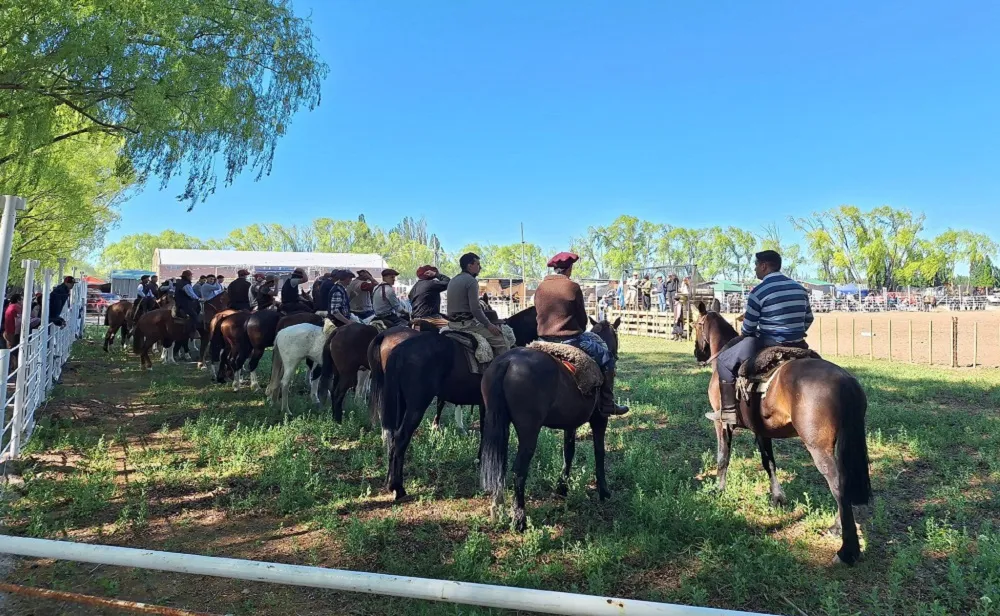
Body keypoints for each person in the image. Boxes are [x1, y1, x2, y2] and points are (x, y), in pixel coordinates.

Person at [710, 250, 813, 425]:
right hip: (798, 343)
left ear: (764, 266)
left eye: (756, 265)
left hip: (769, 342)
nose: (755, 269)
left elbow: (748, 328)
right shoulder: (800, 289)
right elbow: (808, 319)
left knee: (724, 361)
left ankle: (729, 411)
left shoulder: (758, 292)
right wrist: (793, 331)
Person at [535, 252, 629, 417]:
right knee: (607, 358)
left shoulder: (540, 287)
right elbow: (582, 319)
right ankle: (607, 403)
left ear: (555, 269)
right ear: (569, 268)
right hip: (569, 340)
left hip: (542, 340)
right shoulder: (572, 287)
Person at [446, 252, 509, 359]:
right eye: (478, 264)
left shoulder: (453, 280)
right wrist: (489, 325)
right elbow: (475, 309)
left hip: (452, 324)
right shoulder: (471, 281)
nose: (480, 267)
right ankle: (499, 369)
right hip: (467, 325)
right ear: (470, 266)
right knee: (502, 341)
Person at [173, 270, 201, 335]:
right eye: (191, 276)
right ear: (187, 276)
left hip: (179, 302)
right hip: (185, 303)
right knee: (194, 315)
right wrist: (199, 299)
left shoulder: (180, 282)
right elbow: (191, 294)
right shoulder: (186, 284)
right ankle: (192, 331)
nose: (191, 277)